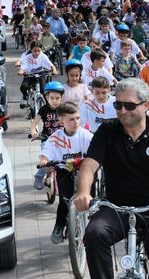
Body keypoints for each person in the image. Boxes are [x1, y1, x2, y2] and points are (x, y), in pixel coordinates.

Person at [74, 78, 149, 279]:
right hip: (115, 207)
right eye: (118, 105)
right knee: (94, 234)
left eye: (129, 105)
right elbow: (89, 165)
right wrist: (84, 192)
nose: (122, 111)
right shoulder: (107, 130)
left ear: (146, 105)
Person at [40, 102, 93, 244]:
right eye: (71, 119)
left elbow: (95, 148)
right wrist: (44, 160)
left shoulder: (85, 135)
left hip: (84, 171)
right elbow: (45, 153)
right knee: (65, 200)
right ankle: (59, 226)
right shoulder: (55, 138)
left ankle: (93, 225)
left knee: (91, 198)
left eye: (77, 118)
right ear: (61, 121)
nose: (76, 122)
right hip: (64, 171)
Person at [30, 81, 65, 189]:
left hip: (62, 139)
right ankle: (39, 176)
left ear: (62, 98)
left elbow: (71, 119)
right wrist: (33, 132)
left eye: (57, 98)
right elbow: (34, 123)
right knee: (46, 160)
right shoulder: (44, 109)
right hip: (47, 139)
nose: (55, 101)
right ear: (46, 97)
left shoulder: (64, 109)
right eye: (52, 98)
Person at [18, 40, 58, 108]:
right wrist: (21, 72)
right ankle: (25, 97)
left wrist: (54, 70)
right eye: (35, 51)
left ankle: (48, 105)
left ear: (41, 50)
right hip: (30, 75)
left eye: (38, 51)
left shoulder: (43, 56)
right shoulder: (27, 57)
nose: (37, 53)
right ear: (31, 50)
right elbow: (23, 67)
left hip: (40, 75)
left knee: (44, 89)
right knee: (23, 87)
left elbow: (51, 65)